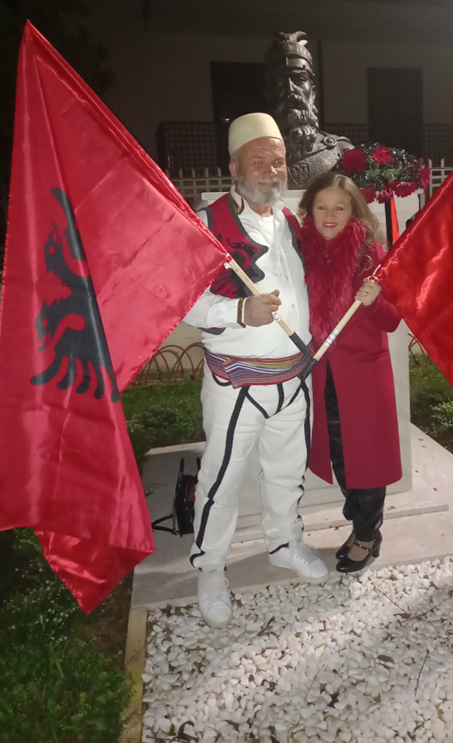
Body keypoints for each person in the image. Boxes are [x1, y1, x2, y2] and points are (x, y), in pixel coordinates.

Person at [184, 112, 328, 627]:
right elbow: (183, 301)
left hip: (294, 377)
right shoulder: (206, 224)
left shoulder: (291, 221)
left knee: (287, 471)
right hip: (235, 381)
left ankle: (284, 542)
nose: (271, 170)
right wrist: (239, 312)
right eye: (259, 160)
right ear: (234, 167)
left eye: (279, 160)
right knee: (220, 479)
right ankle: (209, 566)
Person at [298, 172, 403, 572]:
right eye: (322, 206)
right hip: (322, 373)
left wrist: (375, 301)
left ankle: (366, 533)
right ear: (309, 210)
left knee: (367, 456)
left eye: (339, 207)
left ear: (353, 211)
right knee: (339, 453)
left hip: (363, 376)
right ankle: (360, 517)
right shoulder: (299, 252)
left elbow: (392, 319)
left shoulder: (371, 255)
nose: (330, 215)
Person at [264, 31, 352, 188]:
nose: (290, 89)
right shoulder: (254, 155)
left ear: (313, 92)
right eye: (279, 81)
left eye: (299, 79)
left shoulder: (340, 151)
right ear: (268, 93)